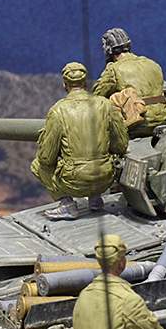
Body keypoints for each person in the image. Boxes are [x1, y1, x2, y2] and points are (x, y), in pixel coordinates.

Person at [31, 61, 131, 220]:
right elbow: (121, 145)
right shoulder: (105, 105)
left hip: (74, 182)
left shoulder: (58, 111)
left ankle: (67, 204)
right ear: (85, 83)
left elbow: (46, 158)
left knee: (38, 165)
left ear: (65, 85)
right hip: (105, 178)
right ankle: (95, 199)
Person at [93, 27, 166, 137]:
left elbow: (97, 94)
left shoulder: (113, 69)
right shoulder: (152, 64)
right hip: (163, 119)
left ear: (109, 51)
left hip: (138, 125)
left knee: (113, 99)